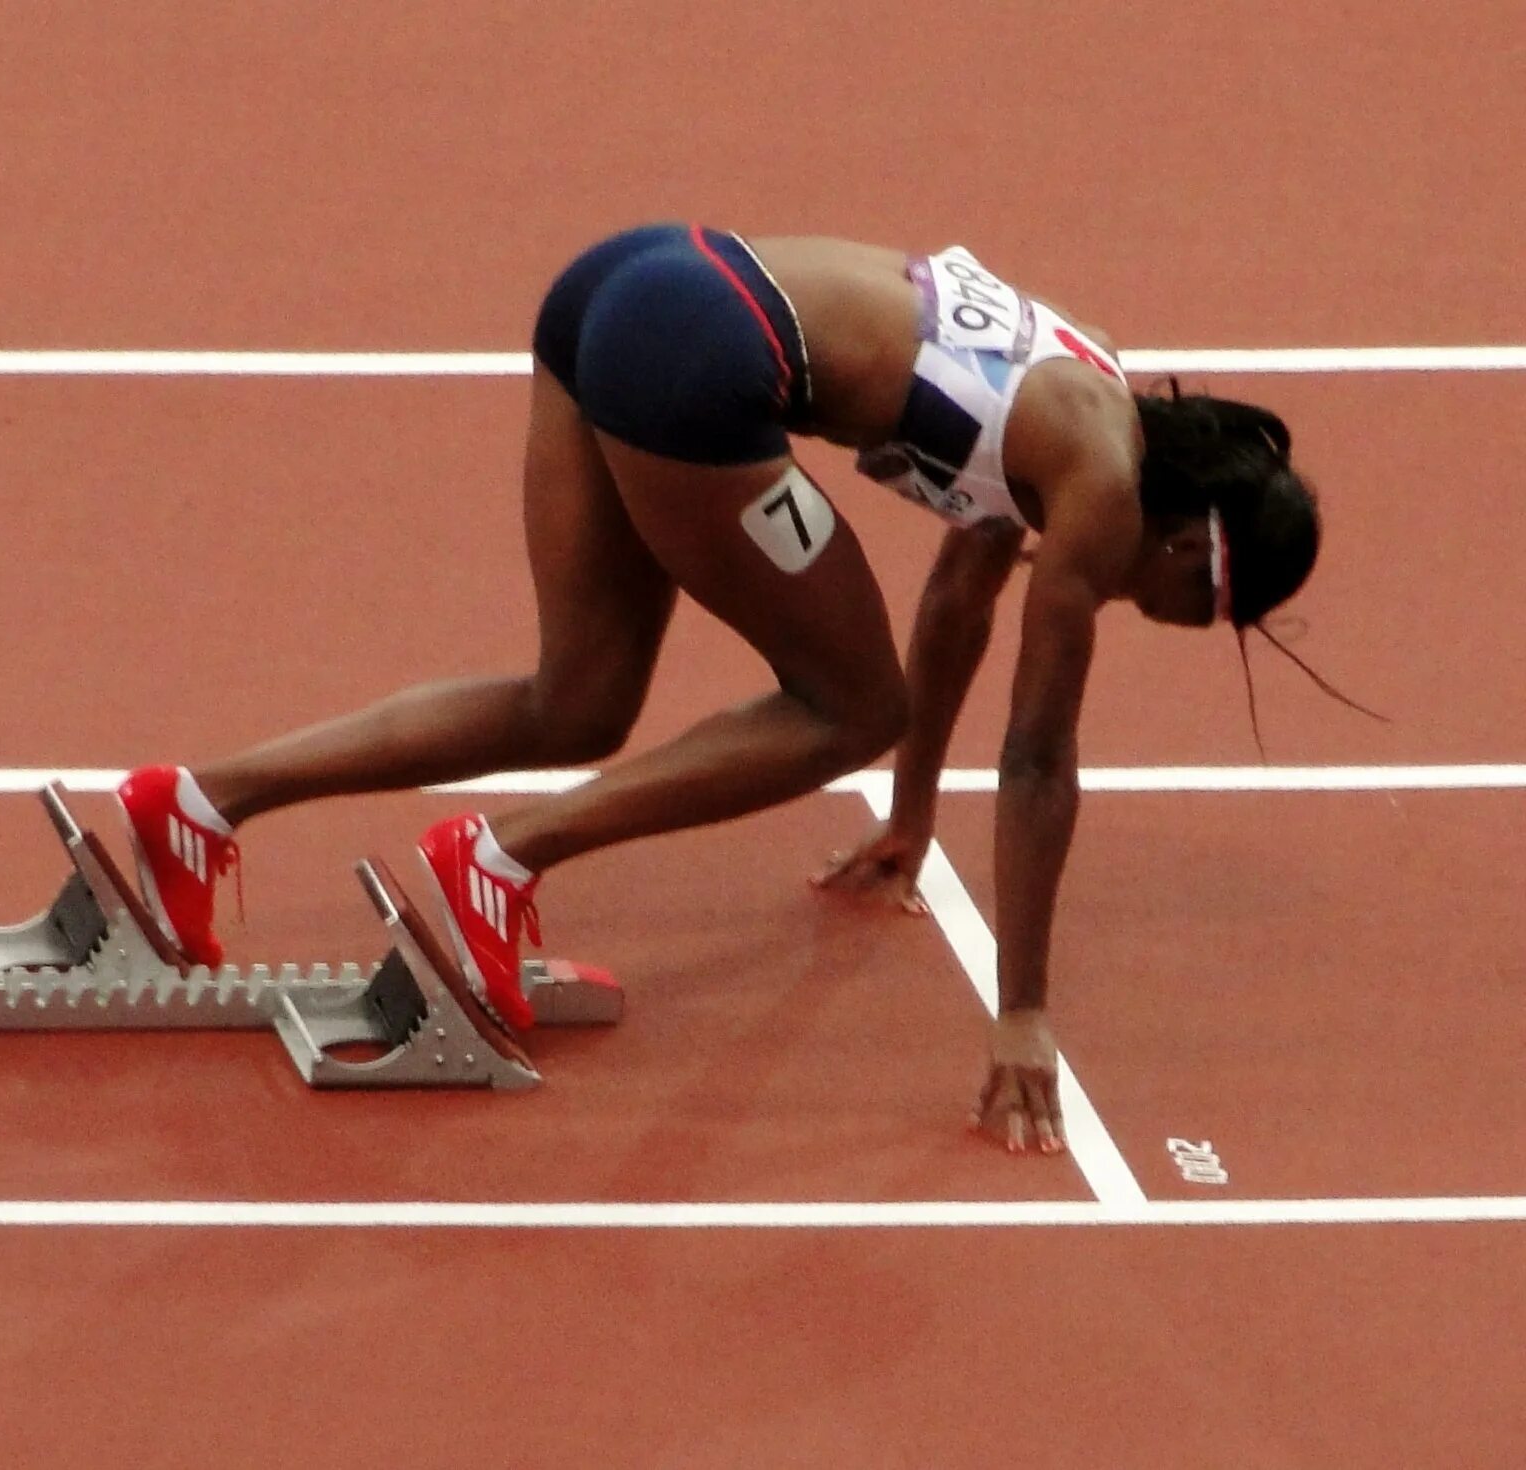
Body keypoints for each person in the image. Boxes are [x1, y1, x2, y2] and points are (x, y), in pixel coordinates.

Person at [115, 223, 1319, 1153]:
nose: (1176, 624)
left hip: (634, 280)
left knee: (576, 701)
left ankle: (202, 804)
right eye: (1211, 613)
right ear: (1189, 545)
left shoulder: (1087, 402)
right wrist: (1022, 1012)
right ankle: (495, 862)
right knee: (846, 705)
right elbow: (1038, 757)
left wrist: (908, 817)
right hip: (700, 352)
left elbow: (957, 605)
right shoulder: (1103, 492)